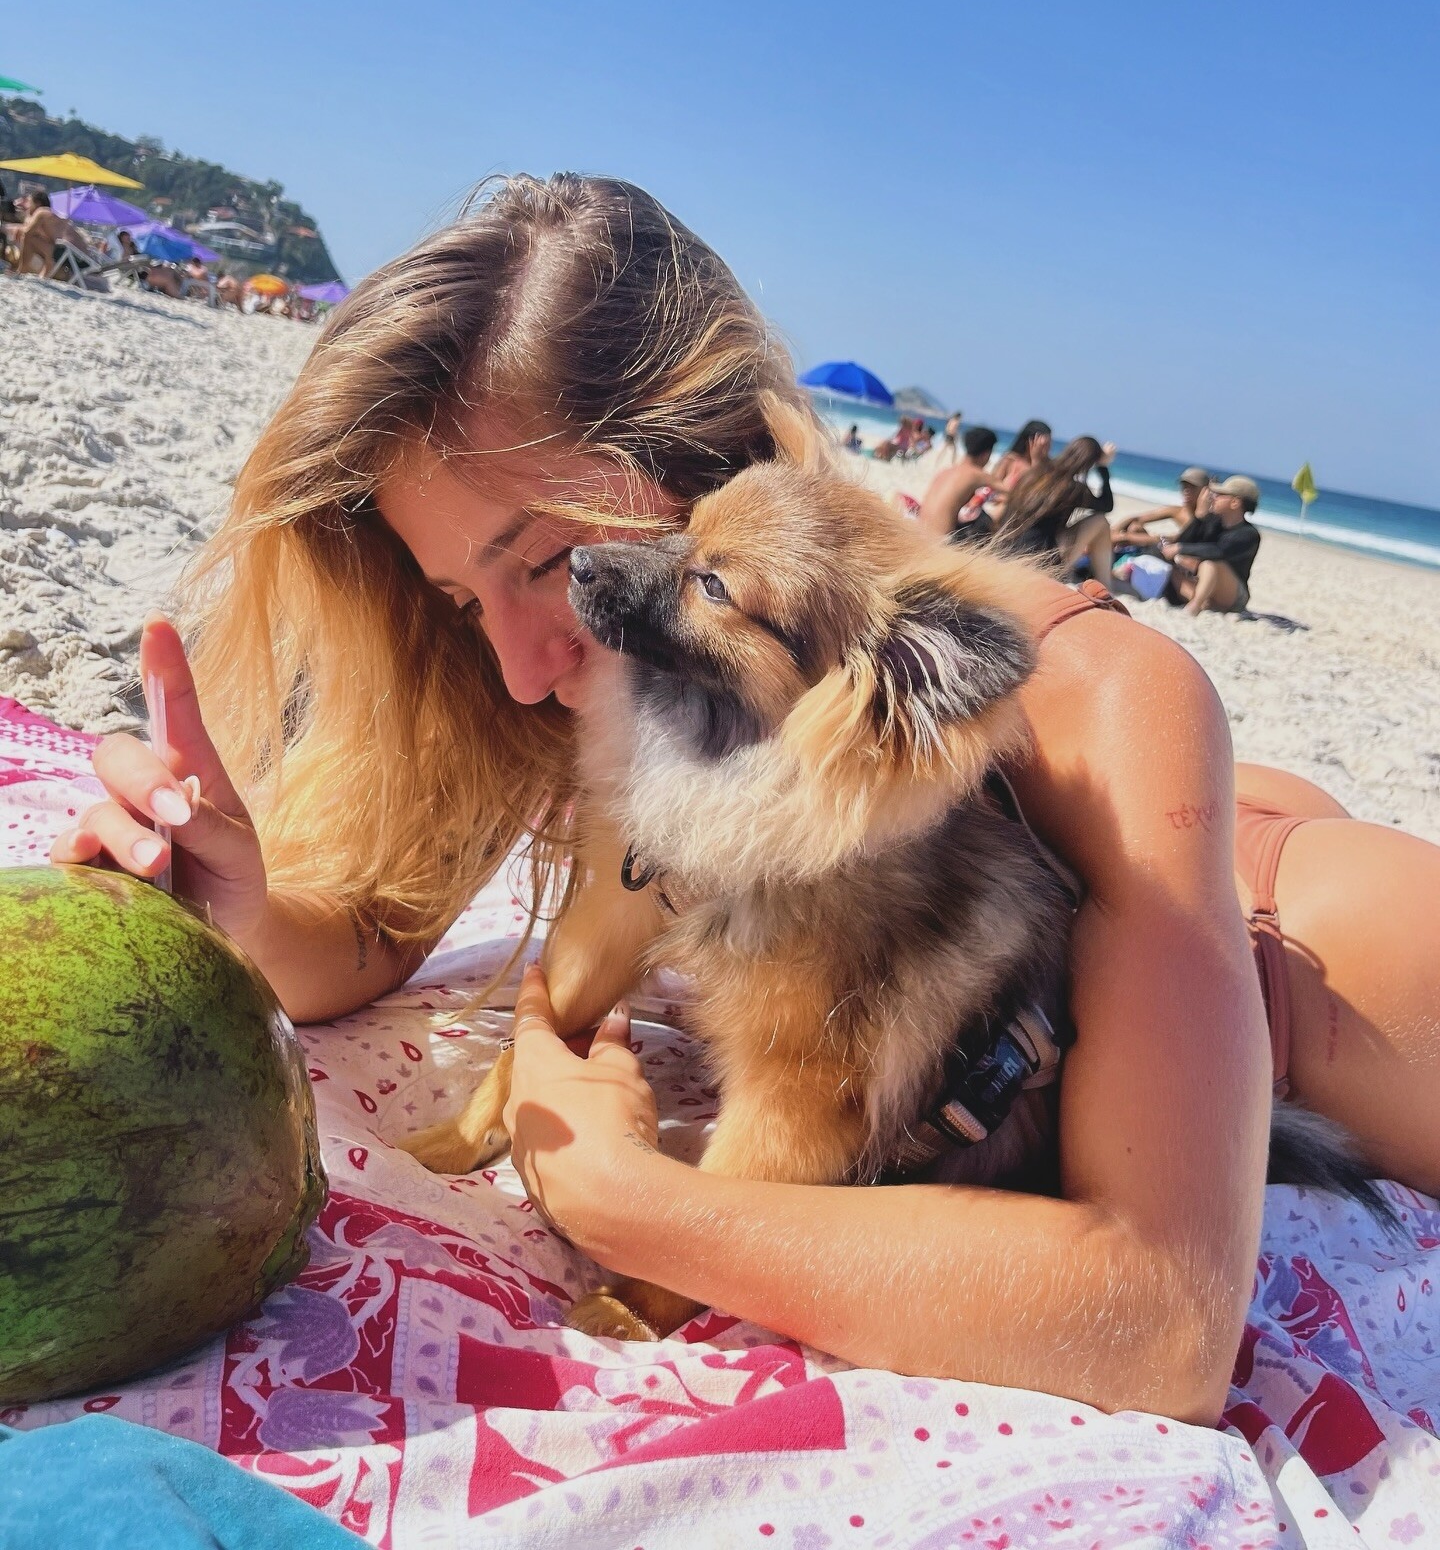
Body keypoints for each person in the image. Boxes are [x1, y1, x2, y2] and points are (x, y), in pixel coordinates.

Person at [55, 174, 1440, 1425]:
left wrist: (631, 1204)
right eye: (463, 600)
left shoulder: (1076, 698)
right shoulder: (652, 701)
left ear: (713, 464)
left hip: (1349, 984)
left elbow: (1167, 1332)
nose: (517, 666)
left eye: (539, 562)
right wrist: (231, 910)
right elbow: (372, 934)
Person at [997, 435, 1119, 590]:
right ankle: (1106, 586)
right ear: (1089, 463)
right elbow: (1107, 505)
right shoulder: (1075, 489)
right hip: (1041, 567)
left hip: (1005, 553)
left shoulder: (1033, 474)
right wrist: (1103, 467)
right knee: (1100, 521)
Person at [1163, 475, 1262, 615]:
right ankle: (1203, 603)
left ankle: (1195, 606)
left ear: (1235, 502)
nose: (1214, 498)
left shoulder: (1249, 534)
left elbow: (1219, 551)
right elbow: (1185, 541)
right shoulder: (1214, 522)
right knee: (1171, 567)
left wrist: (1180, 548)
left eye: (1220, 495)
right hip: (1205, 585)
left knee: (1210, 564)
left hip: (1233, 595)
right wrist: (1199, 517)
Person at [917, 425, 998, 539]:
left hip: (919, 531)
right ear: (986, 454)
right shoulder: (977, 474)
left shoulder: (946, 471)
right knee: (984, 519)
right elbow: (1010, 492)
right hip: (941, 540)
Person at [1114, 467, 1211, 545]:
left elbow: (1187, 539)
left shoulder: (1210, 518)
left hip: (1181, 551)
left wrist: (1124, 537)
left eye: (1192, 487)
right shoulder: (1178, 511)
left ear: (1205, 491)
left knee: (1126, 537)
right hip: (1167, 544)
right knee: (1135, 527)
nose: (1186, 491)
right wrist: (1114, 530)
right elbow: (1137, 518)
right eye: (1184, 486)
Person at [11, 191, 87, 279]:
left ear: (37, 204)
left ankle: (22, 271)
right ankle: (42, 275)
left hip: (73, 255)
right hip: (81, 258)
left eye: (30, 203)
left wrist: (26, 219)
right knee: (45, 242)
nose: (28, 206)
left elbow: (27, 232)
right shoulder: (51, 215)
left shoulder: (41, 212)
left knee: (29, 238)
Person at [990, 419, 1052, 492]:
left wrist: (1036, 462)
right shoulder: (1011, 460)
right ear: (1029, 442)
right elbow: (992, 485)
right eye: (1044, 445)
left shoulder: (1049, 468)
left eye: (1049, 444)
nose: (1048, 449)